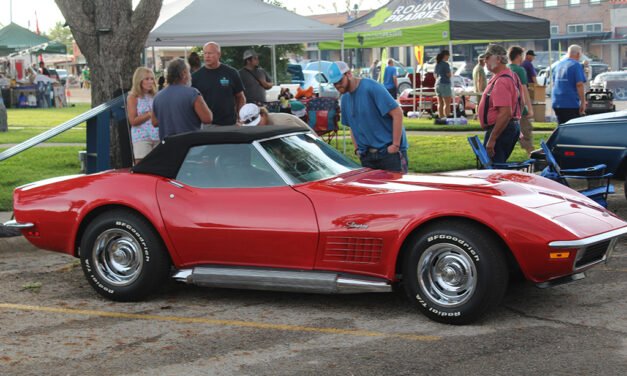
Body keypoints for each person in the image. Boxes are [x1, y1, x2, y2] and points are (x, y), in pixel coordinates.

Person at [328, 61, 408, 173]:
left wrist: (395, 145)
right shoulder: (345, 98)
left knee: (396, 190)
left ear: (349, 74)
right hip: (367, 156)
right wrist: (357, 150)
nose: (337, 86)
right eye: (334, 83)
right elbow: (352, 125)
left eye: (340, 81)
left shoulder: (371, 87)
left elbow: (397, 113)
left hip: (389, 154)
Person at [477, 44, 522, 164]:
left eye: (488, 57)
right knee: (495, 166)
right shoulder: (508, 76)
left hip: (502, 128)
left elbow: (505, 113)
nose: (485, 61)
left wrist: (492, 139)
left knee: (492, 169)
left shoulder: (502, 80)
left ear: (498, 59)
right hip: (507, 127)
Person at [152, 59, 213, 140]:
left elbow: (155, 122)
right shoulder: (193, 93)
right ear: (184, 73)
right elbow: (207, 118)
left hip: (167, 145)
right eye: (188, 72)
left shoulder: (158, 96)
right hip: (190, 145)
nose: (190, 75)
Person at [192, 41, 245, 125]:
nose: (207, 56)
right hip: (205, 125)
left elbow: (240, 97)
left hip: (229, 124)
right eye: (205, 53)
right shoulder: (195, 77)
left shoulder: (231, 73)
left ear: (218, 55)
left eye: (210, 53)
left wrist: (240, 119)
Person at [126, 67, 160, 164]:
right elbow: (133, 121)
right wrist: (149, 114)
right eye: (147, 79)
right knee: (143, 167)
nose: (150, 82)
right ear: (139, 80)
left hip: (158, 136)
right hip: (142, 137)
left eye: (152, 78)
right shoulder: (133, 97)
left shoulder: (156, 96)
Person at [507, 46, 535, 155]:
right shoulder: (520, 70)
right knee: (527, 138)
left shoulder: (507, 69)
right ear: (518, 56)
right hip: (520, 110)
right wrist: (529, 109)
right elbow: (524, 91)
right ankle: (534, 161)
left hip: (508, 110)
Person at [551, 44, 586, 125]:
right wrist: (583, 102)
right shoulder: (576, 65)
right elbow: (579, 84)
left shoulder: (559, 65)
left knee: (561, 126)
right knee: (572, 127)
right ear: (578, 54)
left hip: (557, 102)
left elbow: (554, 83)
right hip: (570, 102)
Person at [239, 103, 309, 129]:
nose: (256, 127)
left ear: (263, 115)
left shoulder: (283, 123)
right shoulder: (265, 126)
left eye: (257, 123)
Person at [434, 50, 452, 118]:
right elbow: (448, 75)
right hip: (445, 83)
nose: (449, 57)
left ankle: (440, 117)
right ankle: (447, 116)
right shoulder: (446, 64)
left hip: (437, 84)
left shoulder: (437, 64)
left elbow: (435, 75)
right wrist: (450, 75)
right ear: (446, 55)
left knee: (440, 103)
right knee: (447, 103)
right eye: (448, 56)